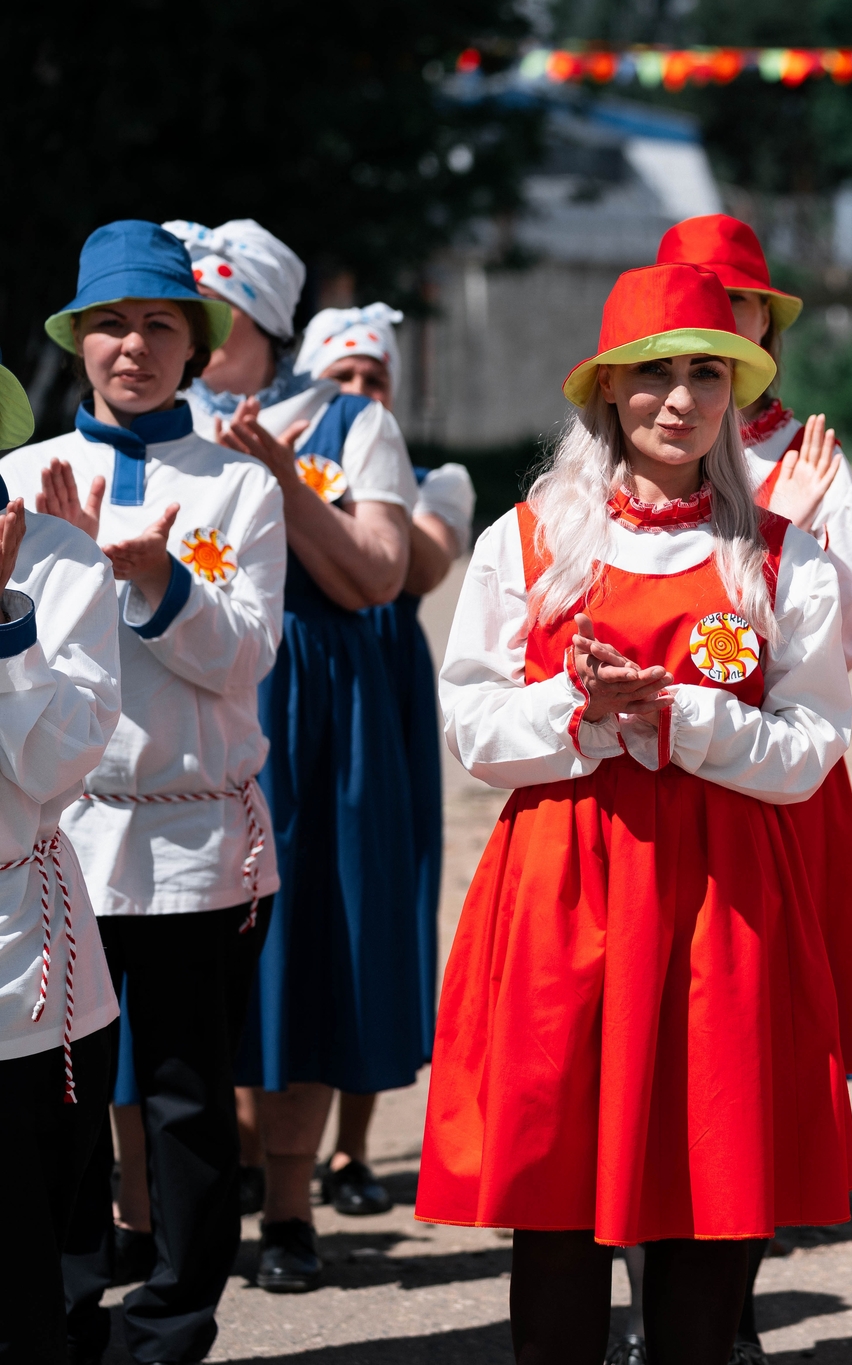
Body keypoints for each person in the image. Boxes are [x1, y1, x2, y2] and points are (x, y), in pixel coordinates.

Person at [416, 262, 852, 1365]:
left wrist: (685, 722)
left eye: (705, 373)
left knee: (708, 1187)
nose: (679, 399)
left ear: (733, 391)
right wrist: (580, 710)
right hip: (564, 890)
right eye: (652, 374)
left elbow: (809, 749)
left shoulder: (781, 556)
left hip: (722, 903)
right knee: (560, 1192)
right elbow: (471, 727)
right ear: (607, 391)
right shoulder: (527, 540)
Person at [4, 219, 285, 1365]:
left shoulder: (237, 488)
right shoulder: (18, 481)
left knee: (182, 1099)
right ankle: (64, 1307)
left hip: (185, 840)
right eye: (111, 324)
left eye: (159, 325)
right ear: (77, 341)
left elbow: (248, 658)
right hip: (56, 846)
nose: (134, 347)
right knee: (59, 1102)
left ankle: (172, 1322)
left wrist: (161, 584)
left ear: (199, 343)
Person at [164, 219, 422, 1294]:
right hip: (191, 696)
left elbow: (377, 575)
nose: (180, 334)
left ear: (256, 324)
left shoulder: (352, 423)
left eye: (201, 315)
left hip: (314, 701)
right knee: (185, 945)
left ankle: (290, 1208)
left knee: (303, 951)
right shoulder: (158, 424)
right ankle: (182, 1194)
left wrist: (278, 473)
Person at [643, 212, 852, 1365]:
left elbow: (839, 644)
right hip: (642, 795)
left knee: (748, 1048)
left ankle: (725, 1300)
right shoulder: (616, 470)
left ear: (760, 332)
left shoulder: (805, 466)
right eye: (687, 306)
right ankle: (663, 1297)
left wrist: (814, 523)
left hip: (769, 783)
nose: (708, 334)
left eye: (733, 310)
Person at [295, 303, 473, 1218]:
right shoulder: (275, 461)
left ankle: (352, 1151)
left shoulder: (433, 478)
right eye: (342, 378)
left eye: (376, 381)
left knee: (374, 901)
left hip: (381, 705)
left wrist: (315, 493)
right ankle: (258, 1145)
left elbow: (413, 566)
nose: (360, 394)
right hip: (291, 699)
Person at [0, 349, 126, 1360]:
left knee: (29, 1267)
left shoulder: (59, 561)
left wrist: (5, 628)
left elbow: (54, 766)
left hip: (28, 984)